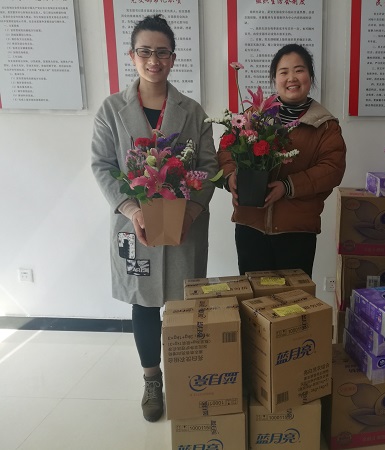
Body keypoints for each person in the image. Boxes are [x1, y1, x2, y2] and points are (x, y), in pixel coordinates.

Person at [91, 15, 218, 421]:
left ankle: (186, 377)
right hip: (136, 227)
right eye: (145, 52)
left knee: (183, 304)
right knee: (143, 304)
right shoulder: (112, 110)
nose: (153, 60)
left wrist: (192, 211)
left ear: (173, 58)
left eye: (162, 52)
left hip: (184, 225)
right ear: (132, 56)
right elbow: (102, 165)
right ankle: (152, 379)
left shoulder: (191, 111)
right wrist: (131, 209)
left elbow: (209, 165)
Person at [218, 43, 346, 277]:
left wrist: (288, 186)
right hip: (250, 226)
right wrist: (230, 176)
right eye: (284, 72)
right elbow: (227, 149)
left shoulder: (325, 126)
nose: (291, 78)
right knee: (253, 295)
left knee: (293, 298)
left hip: (296, 231)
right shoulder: (254, 116)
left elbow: (332, 169)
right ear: (275, 79)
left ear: (310, 77)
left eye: (299, 70)